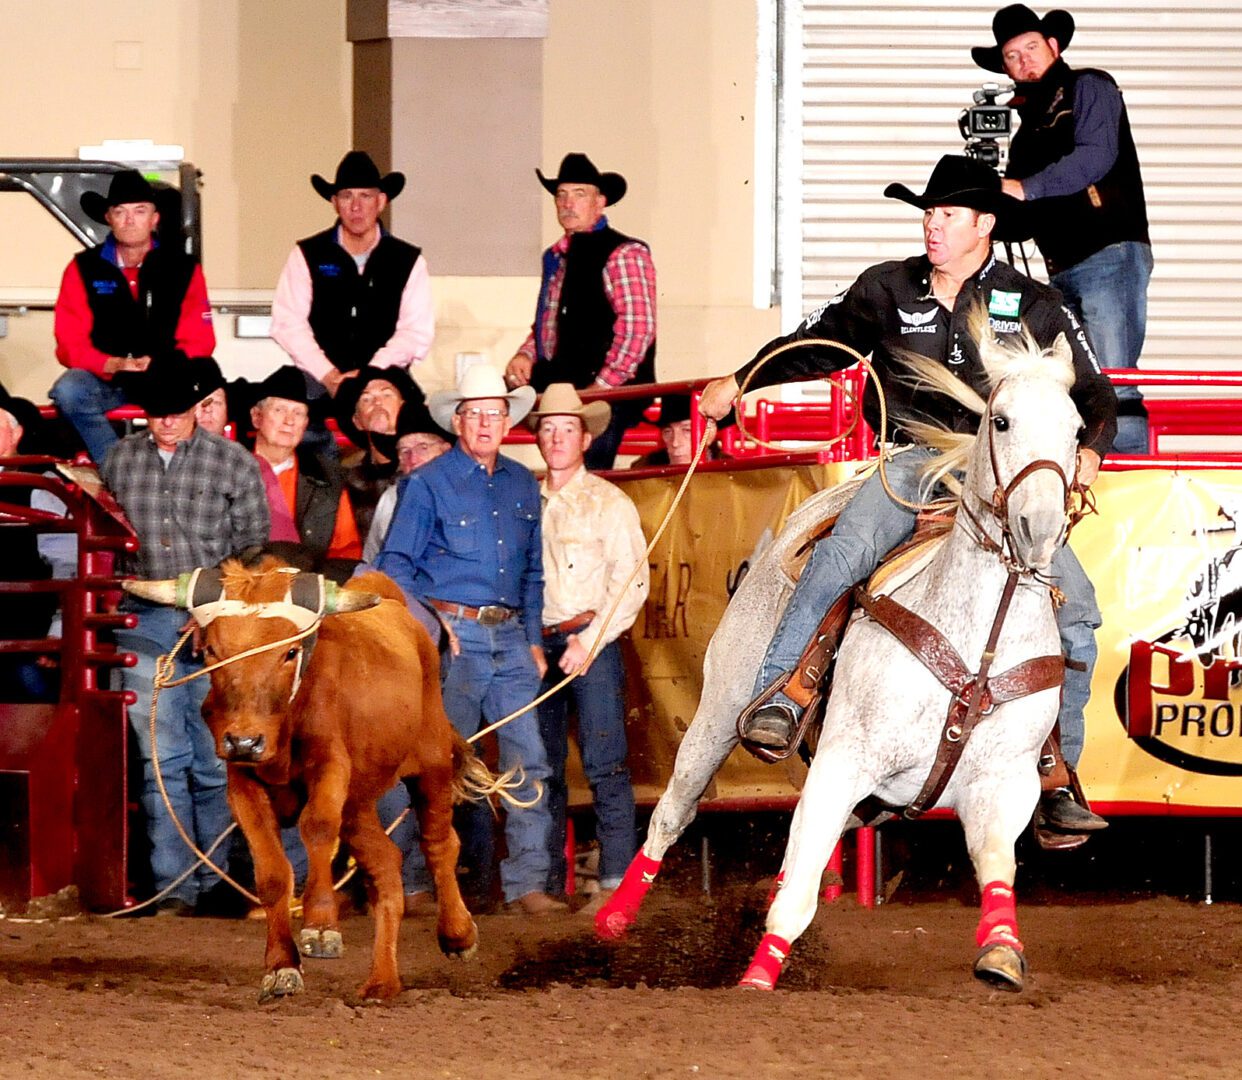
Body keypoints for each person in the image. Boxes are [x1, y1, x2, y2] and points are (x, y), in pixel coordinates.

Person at [698, 155, 1117, 833]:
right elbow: (818, 345)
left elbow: (1096, 392)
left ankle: (1056, 774)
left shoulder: (1036, 304)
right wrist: (744, 378)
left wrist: (1091, 449)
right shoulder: (886, 289)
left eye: (946, 213)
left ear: (984, 224)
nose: (932, 224)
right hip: (914, 464)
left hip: (997, 479)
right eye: (928, 212)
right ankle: (781, 693)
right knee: (841, 555)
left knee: (1078, 613)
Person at [375, 365, 563, 915]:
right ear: (457, 421)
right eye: (475, 413)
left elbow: (532, 572)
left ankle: (527, 884)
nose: (486, 422)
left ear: (509, 421)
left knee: (530, 759)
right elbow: (395, 567)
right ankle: (410, 883)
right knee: (430, 761)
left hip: (509, 639)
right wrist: (433, 623)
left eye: (495, 413)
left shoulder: (521, 481)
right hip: (453, 641)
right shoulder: (427, 483)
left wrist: (530, 635)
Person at [101, 356, 269, 913]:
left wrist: (216, 610)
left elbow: (253, 555)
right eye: (157, 414)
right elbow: (105, 544)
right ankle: (177, 887)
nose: (166, 423)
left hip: (216, 629)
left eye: (175, 413)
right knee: (161, 760)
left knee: (211, 758)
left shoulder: (234, 465)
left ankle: (213, 883)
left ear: (197, 409)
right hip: (143, 621)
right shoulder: (120, 461)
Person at [974, 4, 1152, 454]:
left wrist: (1021, 186)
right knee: (1084, 380)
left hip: (1108, 253)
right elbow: (1018, 212)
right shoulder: (1026, 132)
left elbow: (1095, 157)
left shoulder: (1090, 86)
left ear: (1054, 46)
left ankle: (1132, 479)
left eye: (1031, 48)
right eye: (1012, 57)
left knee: (1115, 378)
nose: (1024, 61)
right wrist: (980, 203)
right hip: (1063, 268)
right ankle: (1088, 475)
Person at [527, 384, 648, 909]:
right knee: (542, 767)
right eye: (548, 428)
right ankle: (549, 883)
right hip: (539, 645)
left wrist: (590, 641)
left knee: (605, 762)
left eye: (567, 429)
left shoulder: (609, 502)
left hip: (590, 642)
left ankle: (617, 880)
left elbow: (632, 580)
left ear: (585, 437)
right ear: (537, 438)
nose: (557, 438)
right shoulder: (524, 498)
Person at [49, 170, 215, 463]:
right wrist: (111, 363)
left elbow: (200, 339)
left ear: (154, 218)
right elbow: (69, 341)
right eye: (120, 211)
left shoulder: (183, 268)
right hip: (108, 378)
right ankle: (120, 467)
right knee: (68, 390)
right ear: (109, 218)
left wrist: (161, 364)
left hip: (167, 375)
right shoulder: (82, 268)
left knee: (209, 395)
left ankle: (182, 473)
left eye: (139, 211)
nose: (129, 219)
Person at [269, 151, 434, 445]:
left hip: (387, 380)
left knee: (414, 437)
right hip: (318, 382)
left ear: (381, 201)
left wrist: (369, 376)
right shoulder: (308, 254)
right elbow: (288, 323)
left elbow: (415, 332)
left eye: (365, 196)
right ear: (334, 203)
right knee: (302, 437)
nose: (356, 207)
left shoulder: (407, 259)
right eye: (346, 196)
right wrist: (330, 376)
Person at [504, 153, 657, 469]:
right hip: (568, 389)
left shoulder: (624, 253)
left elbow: (637, 330)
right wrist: (525, 355)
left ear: (600, 202)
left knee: (587, 469)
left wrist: (602, 387)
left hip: (610, 393)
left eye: (579, 194)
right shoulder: (556, 256)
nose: (567, 203)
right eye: (561, 194)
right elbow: (548, 326)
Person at [248, 366, 362, 582]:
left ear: (306, 424)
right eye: (280, 410)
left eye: (298, 413)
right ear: (256, 417)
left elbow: (346, 553)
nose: (289, 421)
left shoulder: (327, 477)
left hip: (308, 590)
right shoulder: (229, 470)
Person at [0, 386, 70, 702]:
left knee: (33, 715)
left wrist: (57, 633)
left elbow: (67, 566)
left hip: (25, 638)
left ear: (16, 434)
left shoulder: (41, 487)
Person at [334, 364, 432, 539]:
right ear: (357, 421)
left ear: (404, 406)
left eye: (387, 395)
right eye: (366, 399)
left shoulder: (431, 466)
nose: (377, 402)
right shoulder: (345, 480)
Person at [362, 403, 451, 562]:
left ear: (445, 450)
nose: (412, 458)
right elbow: (371, 562)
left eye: (423, 447)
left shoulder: (470, 495)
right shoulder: (390, 499)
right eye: (404, 451)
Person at [629, 394, 728, 469]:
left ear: (710, 433)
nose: (675, 443)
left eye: (687, 430)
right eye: (667, 432)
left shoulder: (728, 469)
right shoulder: (646, 467)